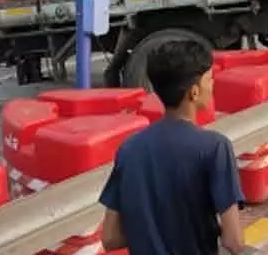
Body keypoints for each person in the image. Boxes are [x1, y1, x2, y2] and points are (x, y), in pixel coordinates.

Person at [99, 39, 245, 255]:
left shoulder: (129, 149)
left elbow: (110, 238)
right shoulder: (215, 147)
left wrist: (151, 234)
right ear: (194, 93)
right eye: (209, 79)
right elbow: (234, 241)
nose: (213, 85)